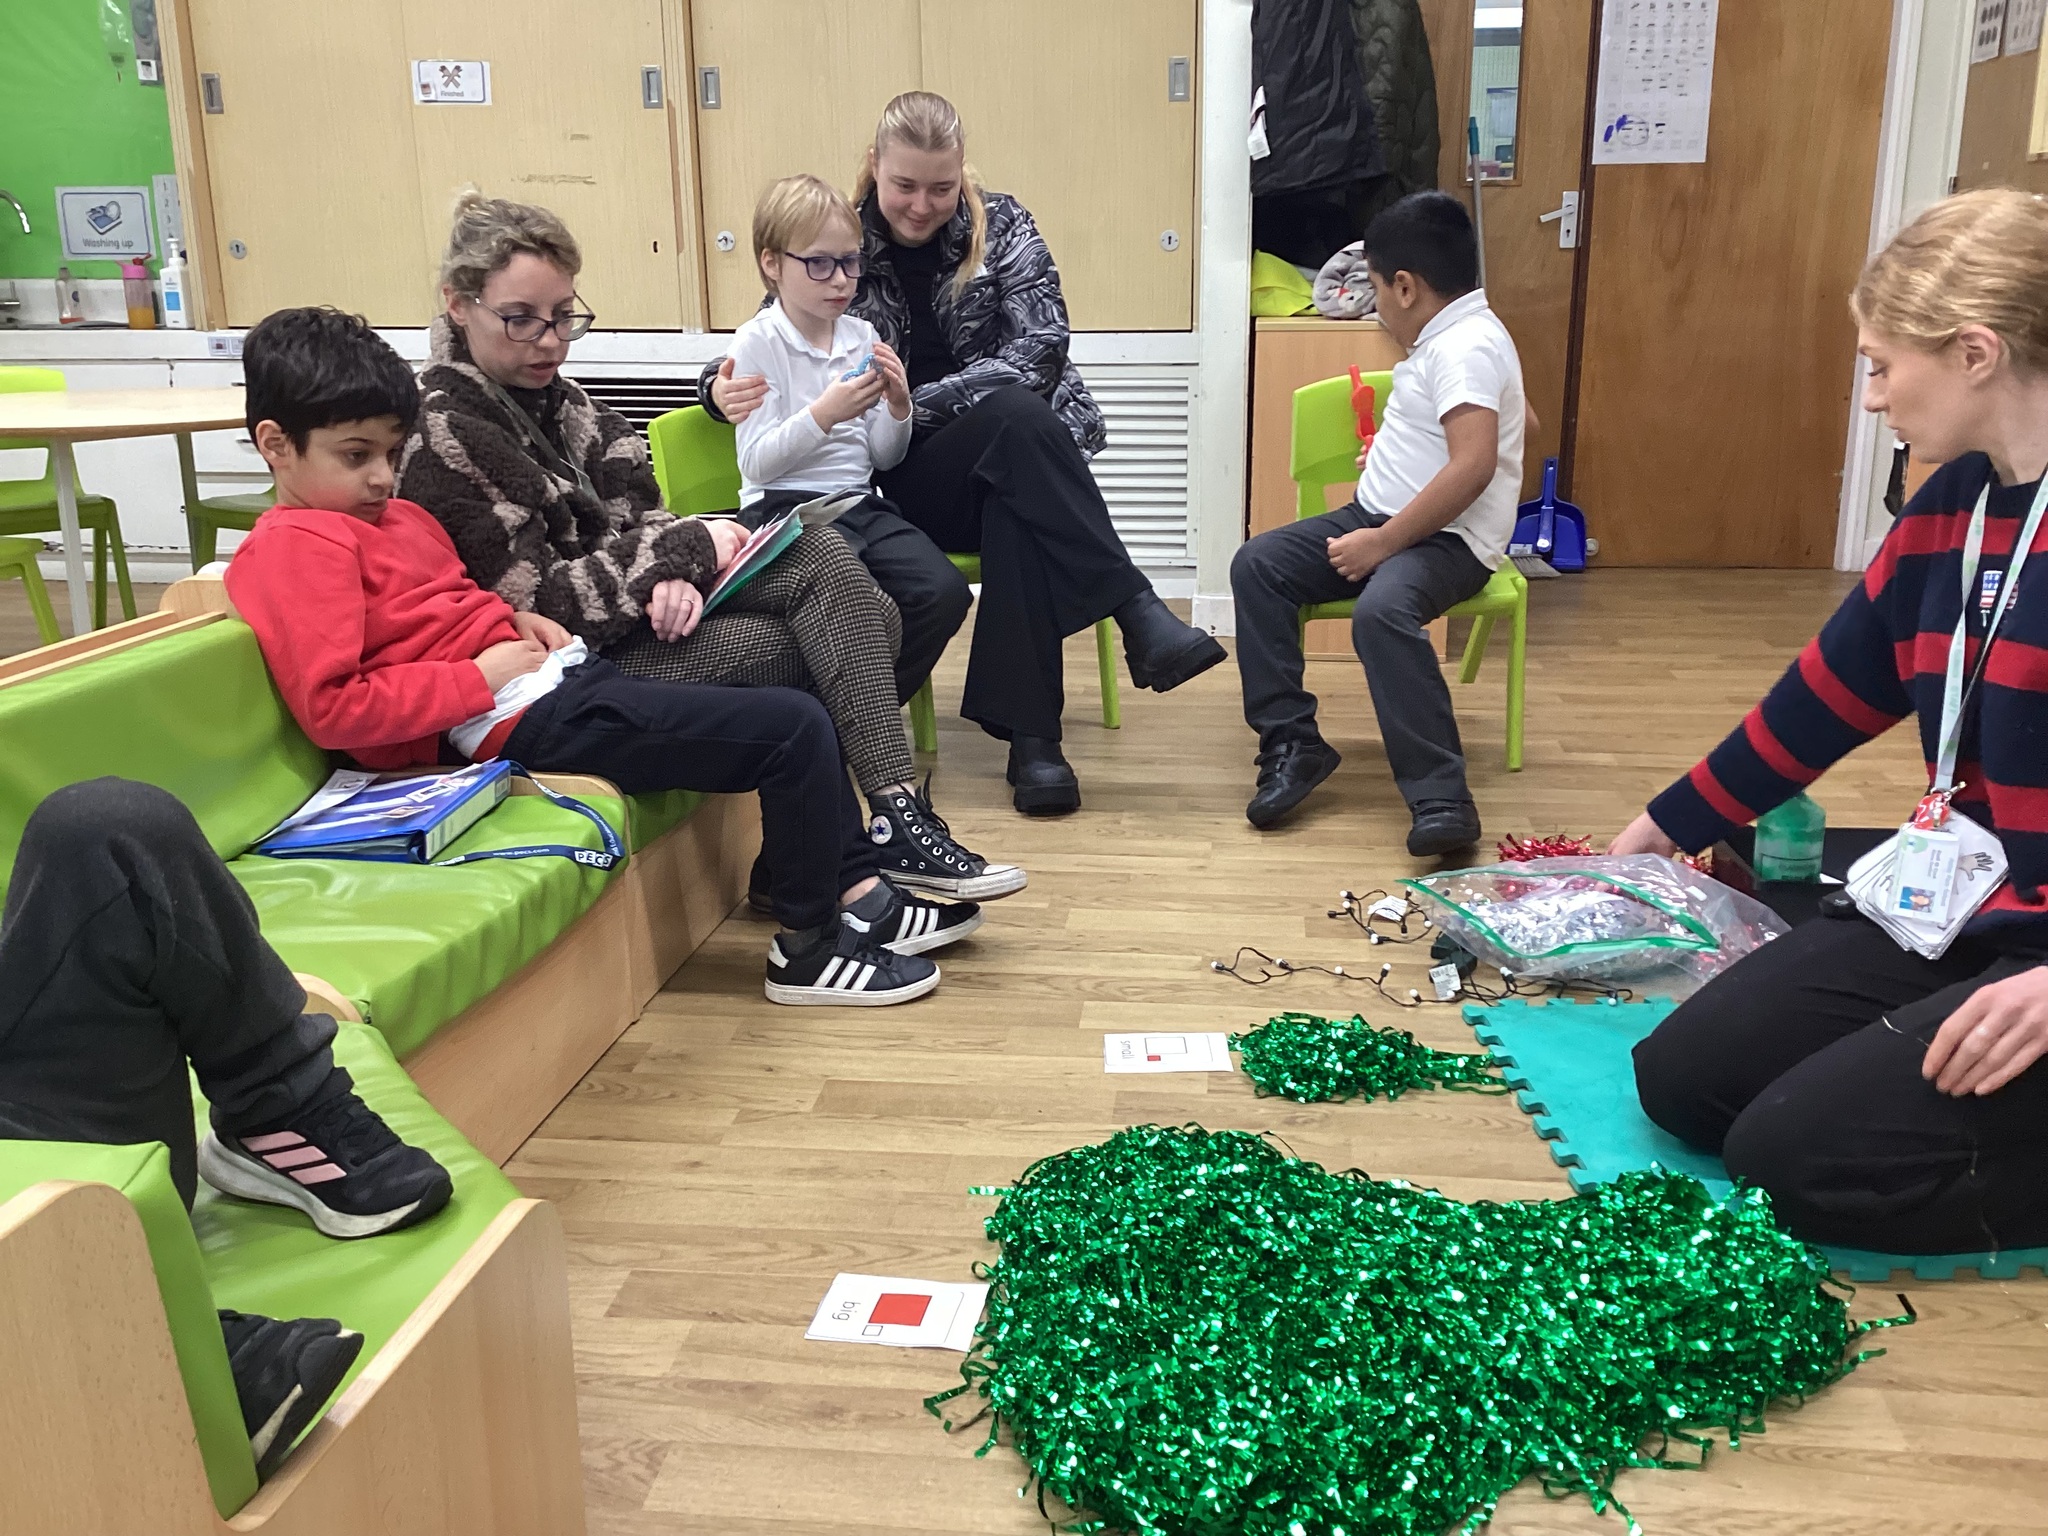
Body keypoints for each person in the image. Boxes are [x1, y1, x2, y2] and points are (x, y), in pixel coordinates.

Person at [227, 306, 975, 1005]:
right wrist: (475, 678)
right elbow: (337, 709)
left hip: (556, 679)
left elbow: (444, 606)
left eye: (391, 453)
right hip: (511, 725)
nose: (382, 476)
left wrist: (514, 619)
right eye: (356, 456)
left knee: (799, 701)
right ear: (276, 445)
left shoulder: (397, 519)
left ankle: (854, 891)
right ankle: (809, 950)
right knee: (792, 728)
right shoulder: (294, 548)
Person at [1611, 189, 2048, 1255]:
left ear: (1974, 353)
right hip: (1979, 900)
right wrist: (1661, 829)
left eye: (1882, 367)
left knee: (1798, 1162)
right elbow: (1822, 698)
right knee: (1685, 1080)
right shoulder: (1954, 504)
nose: (1871, 398)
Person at [398, 191, 1020, 900]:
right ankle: (846, 848)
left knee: (830, 565)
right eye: (521, 319)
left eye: (565, 315)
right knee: (855, 629)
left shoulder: (565, 405)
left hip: (634, 620)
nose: (550, 341)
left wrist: (673, 567)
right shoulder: (447, 435)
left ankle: (881, 821)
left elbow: (643, 514)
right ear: (458, 305)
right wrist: (679, 553)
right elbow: (535, 604)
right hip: (568, 669)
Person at [702, 92, 1226, 816]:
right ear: (873, 168)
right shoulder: (841, 238)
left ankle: (1036, 744)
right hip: (906, 473)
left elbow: (1043, 349)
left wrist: (913, 400)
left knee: (1015, 471)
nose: (922, 205)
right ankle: (1130, 609)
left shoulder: (1002, 223)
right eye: (904, 185)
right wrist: (714, 388)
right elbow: (772, 332)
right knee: (1015, 427)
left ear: (963, 174)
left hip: (985, 447)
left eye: (941, 187)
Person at [0, 777, 455, 1479]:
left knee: (107, 827)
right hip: (45, 1234)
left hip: (44, 1129)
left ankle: (277, 1114)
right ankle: (116, 1341)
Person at [1229, 190, 1527, 855]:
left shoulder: (1465, 347)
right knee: (1259, 566)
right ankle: (1293, 744)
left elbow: (1475, 463)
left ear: (1406, 286)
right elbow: (1520, 421)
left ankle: (1442, 796)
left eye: (1375, 289)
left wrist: (1384, 543)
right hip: (1380, 516)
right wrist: (1406, 449)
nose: (1375, 306)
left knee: (1382, 612)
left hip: (1446, 541)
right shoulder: (1460, 335)